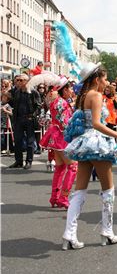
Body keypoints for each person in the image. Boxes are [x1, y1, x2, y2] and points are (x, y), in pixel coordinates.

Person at [62, 62, 117, 250]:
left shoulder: (83, 96)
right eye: (105, 78)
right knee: (108, 189)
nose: (106, 82)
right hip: (97, 142)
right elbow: (97, 123)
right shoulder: (96, 96)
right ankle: (107, 232)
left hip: (84, 144)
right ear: (96, 79)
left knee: (79, 190)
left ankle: (69, 234)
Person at [40, 78, 76, 208]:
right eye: (70, 88)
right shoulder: (62, 103)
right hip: (62, 138)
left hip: (55, 137)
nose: (72, 91)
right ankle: (63, 198)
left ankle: (54, 198)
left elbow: (46, 119)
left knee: (60, 168)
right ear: (64, 89)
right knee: (73, 167)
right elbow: (64, 123)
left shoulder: (56, 101)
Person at [9, 74, 41, 169]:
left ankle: (29, 161)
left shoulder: (33, 92)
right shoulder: (17, 92)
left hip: (29, 119)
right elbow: (14, 104)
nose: (18, 82)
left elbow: (38, 106)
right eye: (17, 80)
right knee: (18, 140)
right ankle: (18, 161)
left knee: (30, 141)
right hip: (18, 119)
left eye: (21, 80)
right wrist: (8, 98)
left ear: (27, 81)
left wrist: (33, 116)